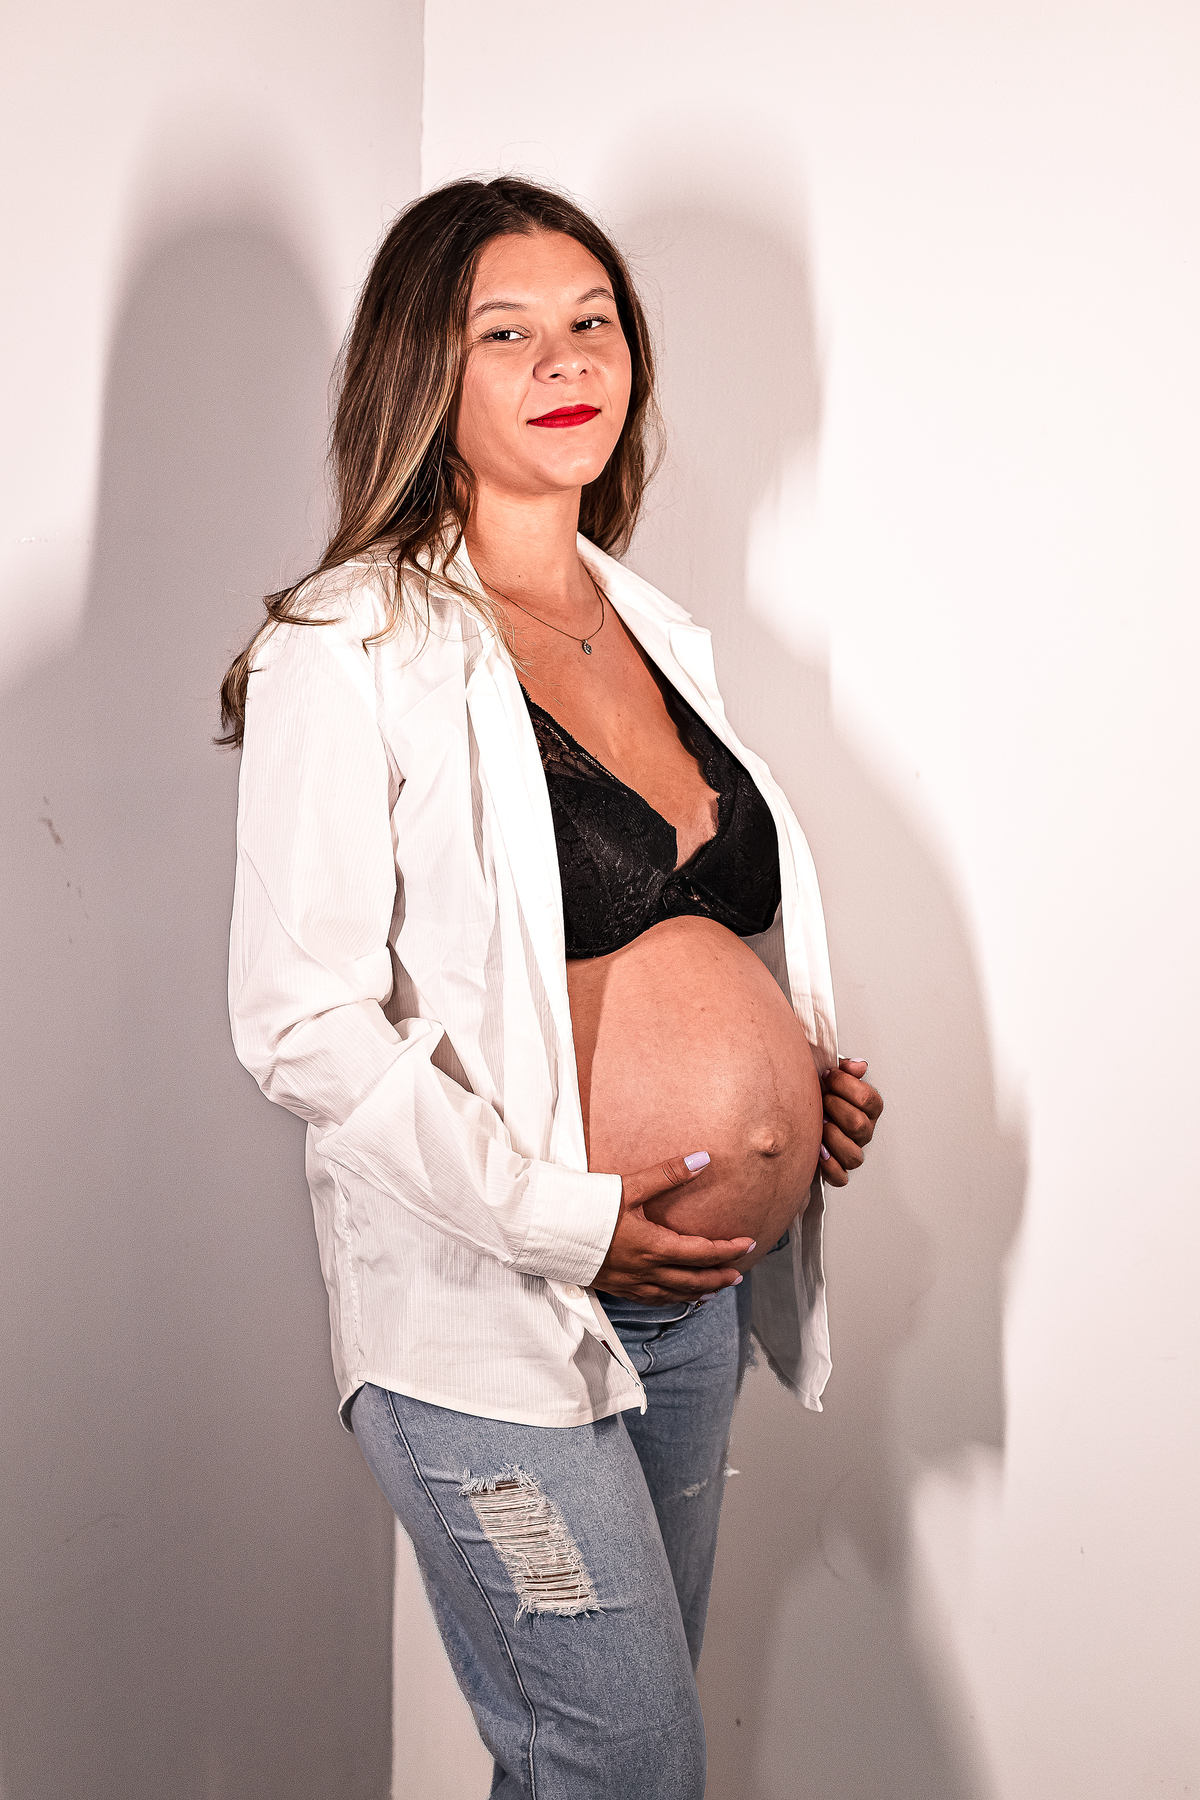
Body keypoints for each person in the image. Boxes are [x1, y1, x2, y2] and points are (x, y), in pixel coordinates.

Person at [222, 175, 883, 1800]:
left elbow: (657, 943)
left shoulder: (652, 628)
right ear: (424, 374)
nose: (566, 358)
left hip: (691, 1308)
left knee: (597, 1774)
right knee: (622, 1759)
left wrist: (795, 1090)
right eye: (505, 332)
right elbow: (300, 1019)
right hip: (490, 1320)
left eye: (592, 320)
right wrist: (561, 1218)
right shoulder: (347, 641)